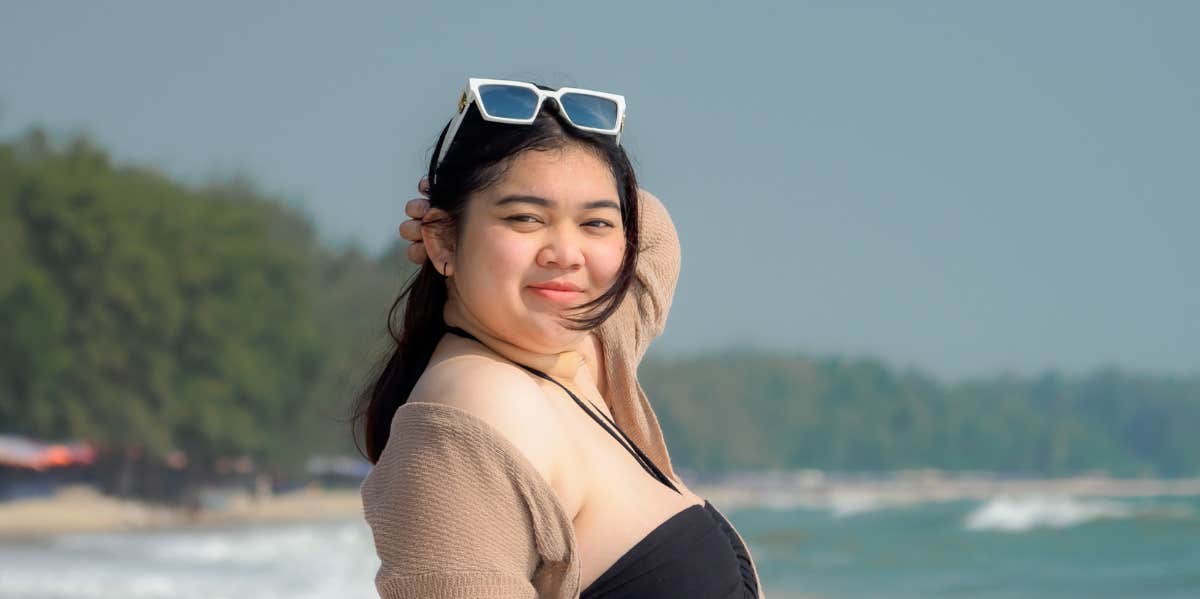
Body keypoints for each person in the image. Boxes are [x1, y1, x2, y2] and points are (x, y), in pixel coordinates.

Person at [355, 77, 763, 598]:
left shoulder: (582, 359)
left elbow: (654, 238)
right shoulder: (475, 411)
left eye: (595, 224)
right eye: (525, 218)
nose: (566, 253)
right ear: (440, 240)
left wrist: (568, 171)